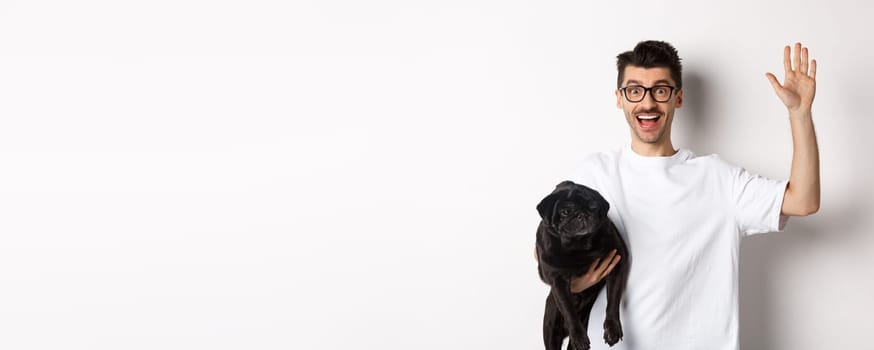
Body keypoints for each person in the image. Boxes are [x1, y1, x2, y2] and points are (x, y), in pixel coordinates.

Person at [536, 40, 820, 350]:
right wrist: (573, 285)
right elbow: (543, 248)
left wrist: (799, 114)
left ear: (678, 97)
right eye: (634, 90)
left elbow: (803, 200)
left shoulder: (717, 178)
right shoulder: (593, 174)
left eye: (660, 90)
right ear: (620, 99)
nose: (647, 103)